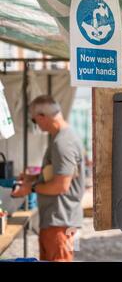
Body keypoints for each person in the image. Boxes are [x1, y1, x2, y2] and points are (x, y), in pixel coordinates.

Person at [12, 95, 85, 262]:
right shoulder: (62, 137)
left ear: (41, 116)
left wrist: (29, 188)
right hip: (58, 219)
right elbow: (57, 174)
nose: (35, 124)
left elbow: (61, 186)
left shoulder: (63, 143)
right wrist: (32, 178)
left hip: (60, 221)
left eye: (34, 120)